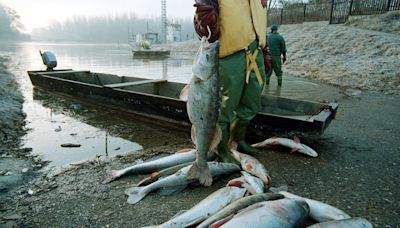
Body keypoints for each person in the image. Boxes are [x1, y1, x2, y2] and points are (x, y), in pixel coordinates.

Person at [194, 0, 271, 162]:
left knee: (251, 102)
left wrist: (266, 51)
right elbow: (202, 27)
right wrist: (203, 23)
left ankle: (237, 140)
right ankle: (220, 149)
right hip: (229, 55)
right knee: (223, 107)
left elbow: (259, 22)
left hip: (255, 52)